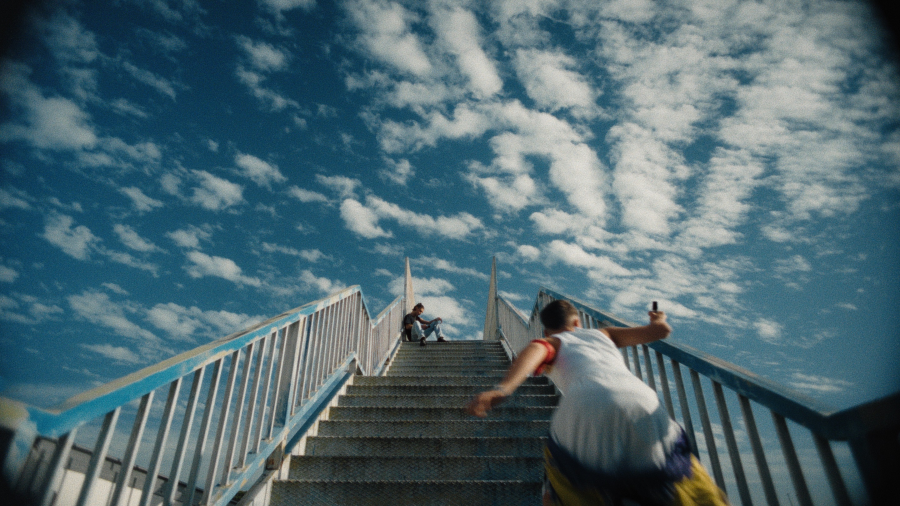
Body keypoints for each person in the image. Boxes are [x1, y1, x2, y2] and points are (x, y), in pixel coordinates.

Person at [466, 300, 728, 506]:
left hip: (585, 406)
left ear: (546, 330)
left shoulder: (550, 341)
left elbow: (534, 352)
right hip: (640, 399)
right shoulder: (604, 334)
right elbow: (659, 332)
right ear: (578, 322)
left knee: (560, 485)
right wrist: (658, 319)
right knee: (678, 473)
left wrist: (502, 389)